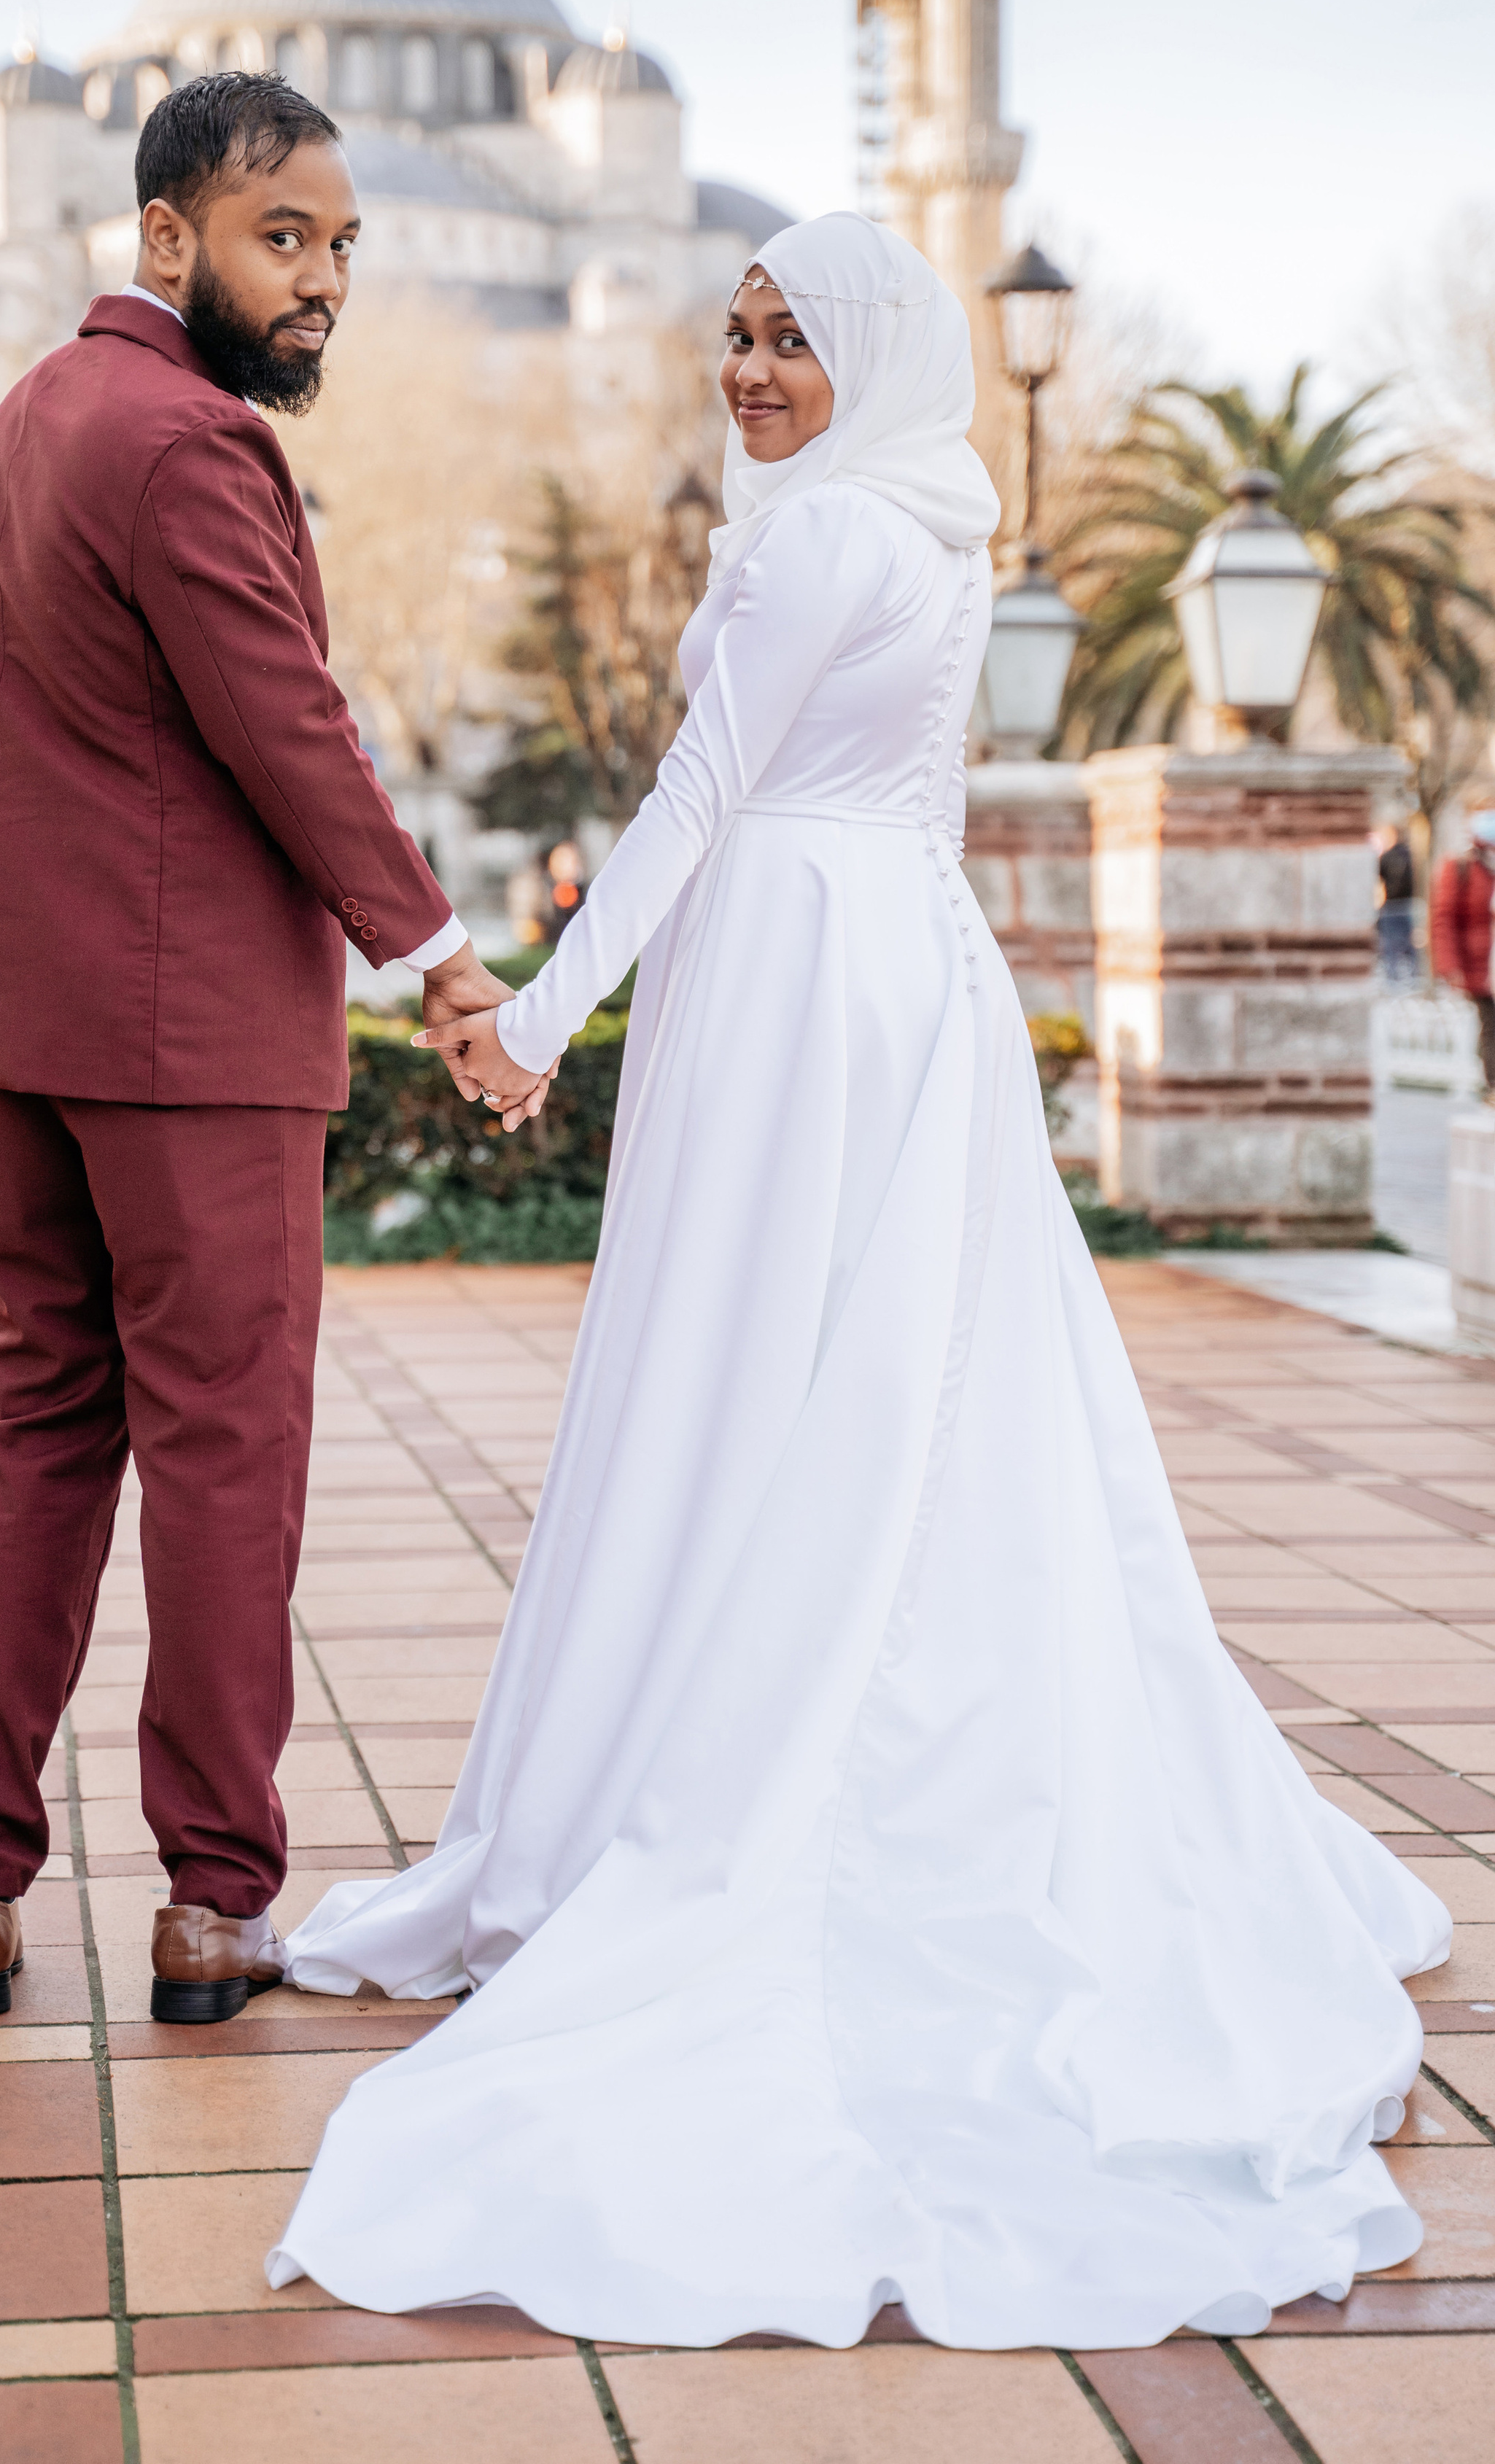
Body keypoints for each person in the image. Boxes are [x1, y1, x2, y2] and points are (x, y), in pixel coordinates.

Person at [269, 214, 1448, 2352]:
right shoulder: (908, 521)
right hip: (895, 970)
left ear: (876, 356)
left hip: (802, 975)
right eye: (732, 334)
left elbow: (701, 789)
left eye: (791, 337)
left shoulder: (819, 544)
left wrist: (527, 1010)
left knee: (748, 1374)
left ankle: (704, 1759)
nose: (747, 369)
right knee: (884, 1376)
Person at [0, 74, 540, 2025]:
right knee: (224, 1456)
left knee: (36, 1433)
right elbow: (294, 730)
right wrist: (440, 955)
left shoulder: (21, 426)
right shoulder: (194, 445)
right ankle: (211, 1899)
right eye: (288, 238)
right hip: (192, 1045)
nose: (326, 279)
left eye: (345, 244)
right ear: (167, 237)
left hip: (20, 1019)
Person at [1430, 810, 1495, 1086]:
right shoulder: (1461, 867)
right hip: (1483, 966)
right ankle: (1492, 1088)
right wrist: (1450, 965)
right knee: (1491, 1027)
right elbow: (1443, 918)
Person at [1375, 823, 1416, 984]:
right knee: (1408, 942)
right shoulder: (1409, 855)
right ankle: (1412, 974)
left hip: (1393, 904)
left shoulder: (1387, 856)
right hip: (1407, 903)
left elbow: (1378, 876)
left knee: (1391, 943)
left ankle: (1394, 976)